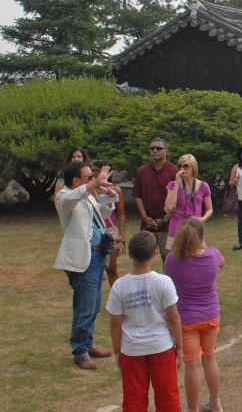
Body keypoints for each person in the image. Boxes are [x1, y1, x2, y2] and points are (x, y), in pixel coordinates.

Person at [107, 231, 183, 412]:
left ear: (130, 254)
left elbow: (115, 323)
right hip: (161, 347)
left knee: (134, 398)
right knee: (168, 395)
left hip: (132, 350)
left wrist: (117, 350)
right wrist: (179, 347)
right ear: (155, 254)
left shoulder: (119, 285)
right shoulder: (164, 282)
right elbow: (173, 318)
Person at [55, 161, 119, 370]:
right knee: (84, 306)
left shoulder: (87, 195)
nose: (93, 180)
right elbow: (73, 199)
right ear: (76, 180)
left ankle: (88, 344)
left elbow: (102, 214)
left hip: (97, 256)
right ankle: (80, 351)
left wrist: (108, 198)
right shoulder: (64, 196)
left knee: (93, 305)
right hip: (84, 259)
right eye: (89, 177)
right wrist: (95, 184)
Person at [165, 219, 225, 412]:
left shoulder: (173, 259)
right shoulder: (213, 255)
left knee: (192, 366)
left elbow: (168, 273)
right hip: (211, 316)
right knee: (209, 359)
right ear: (202, 236)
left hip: (187, 319)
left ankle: (192, 409)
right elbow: (221, 262)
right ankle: (215, 403)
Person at [133, 138, 178, 262]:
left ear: (166, 151)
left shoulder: (174, 171)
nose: (154, 150)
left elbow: (178, 200)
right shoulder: (142, 171)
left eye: (158, 148)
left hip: (168, 226)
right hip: (147, 225)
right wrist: (145, 217)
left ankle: (168, 282)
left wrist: (164, 219)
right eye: (152, 148)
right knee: (142, 259)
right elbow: (138, 196)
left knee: (169, 259)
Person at [164, 154, 213, 256]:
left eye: (185, 166)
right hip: (177, 228)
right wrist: (177, 183)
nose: (182, 169)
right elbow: (169, 207)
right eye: (179, 166)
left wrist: (203, 219)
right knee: (175, 259)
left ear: (193, 168)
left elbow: (209, 209)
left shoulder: (203, 186)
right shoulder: (172, 185)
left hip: (196, 227)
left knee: (197, 258)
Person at [90, 159, 126, 287]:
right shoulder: (88, 191)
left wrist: (121, 234)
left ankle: (118, 297)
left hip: (110, 231)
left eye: (98, 171)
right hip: (93, 232)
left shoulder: (116, 190)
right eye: (93, 170)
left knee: (111, 268)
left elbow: (120, 214)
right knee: (95, 268)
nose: (94, 174)